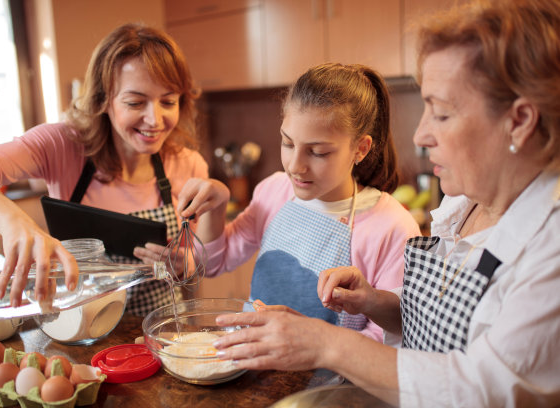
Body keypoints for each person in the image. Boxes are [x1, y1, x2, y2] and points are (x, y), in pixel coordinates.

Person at [209, 0, 560, 406]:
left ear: (519, 120)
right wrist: (376, 302)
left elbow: (486, 390)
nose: (421, 135)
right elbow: (430, 334)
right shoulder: (463, 208)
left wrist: (327, 343)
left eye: (441, 114)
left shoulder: (549, 249)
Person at [0, 23, 208, 316]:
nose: (154, 119)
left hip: (158, 330)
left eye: (168, 101)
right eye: (135, 102)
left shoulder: (189, 164)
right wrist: (14, 222)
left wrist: (183, 263)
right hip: (81, 331)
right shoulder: (63, 145)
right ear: (103, 100)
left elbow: (194, 259)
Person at [179, 63, 421, 341]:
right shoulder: (274, 191)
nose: (295, 166)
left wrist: (313, 346)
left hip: (328, 382)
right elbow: (211, 265)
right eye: (288, 143)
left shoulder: (392, 227)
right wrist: (216, 206)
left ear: (360, 149)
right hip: (254, 363)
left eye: (317, 152)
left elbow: (389, 337)